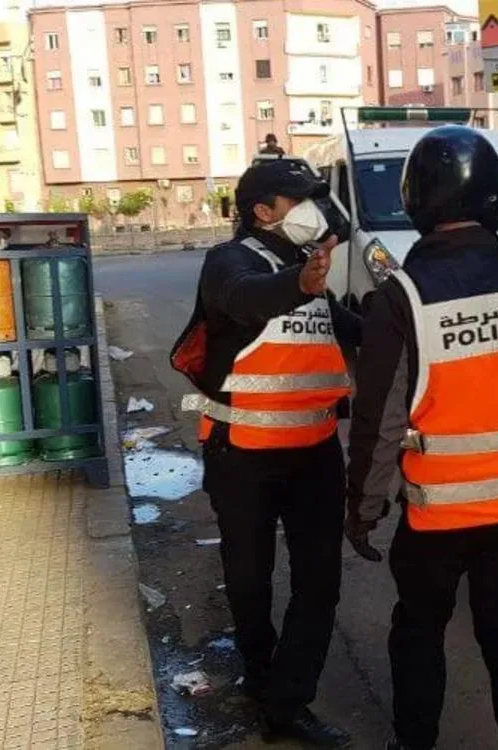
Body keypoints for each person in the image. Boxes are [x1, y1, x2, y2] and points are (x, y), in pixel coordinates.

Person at [344, 125, 498, 750]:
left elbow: (379, 423)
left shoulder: (402, 296)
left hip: (437, 516)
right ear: (496, 197)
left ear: (416, 201)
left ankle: (414, 742)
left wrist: (363, 510)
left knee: (419, 633)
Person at [171, 158, 360, 747]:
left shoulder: (308, 269)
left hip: (314, 455)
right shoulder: (230, 262)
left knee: (319, 583)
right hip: (243, 454)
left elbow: (353, 329)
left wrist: (409, 308)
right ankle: (259, 675)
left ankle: (287, 702)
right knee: (250, 580)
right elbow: (244, 298)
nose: (311, 210)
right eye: (297, 200)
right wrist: (299, 283)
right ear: (262, 211)